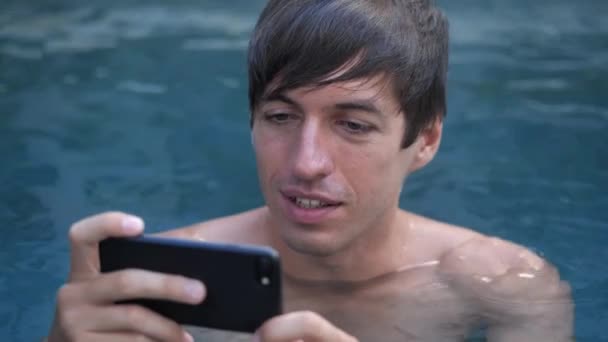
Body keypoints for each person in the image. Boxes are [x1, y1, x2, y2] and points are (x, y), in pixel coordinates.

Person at [46, 0, 573, 341]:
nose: (306, 163)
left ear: (425, 140)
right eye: (280, 117)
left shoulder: (504, 285)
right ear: (250, 122)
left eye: (354, 126)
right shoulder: (168, 283)